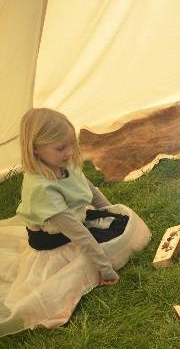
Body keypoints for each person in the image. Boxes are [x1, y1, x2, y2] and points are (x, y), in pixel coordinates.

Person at [0, 108, 151, 336]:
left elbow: (89, 189)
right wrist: (106, 270)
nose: (70, 152)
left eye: (71, 144)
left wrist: (110, 212)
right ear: (35, 149)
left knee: (125, 226)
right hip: (59, 242)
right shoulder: (42, 189)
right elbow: (79, 235)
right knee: (99, 257)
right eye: (61, 148)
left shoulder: (64, 163)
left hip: (77, 223)